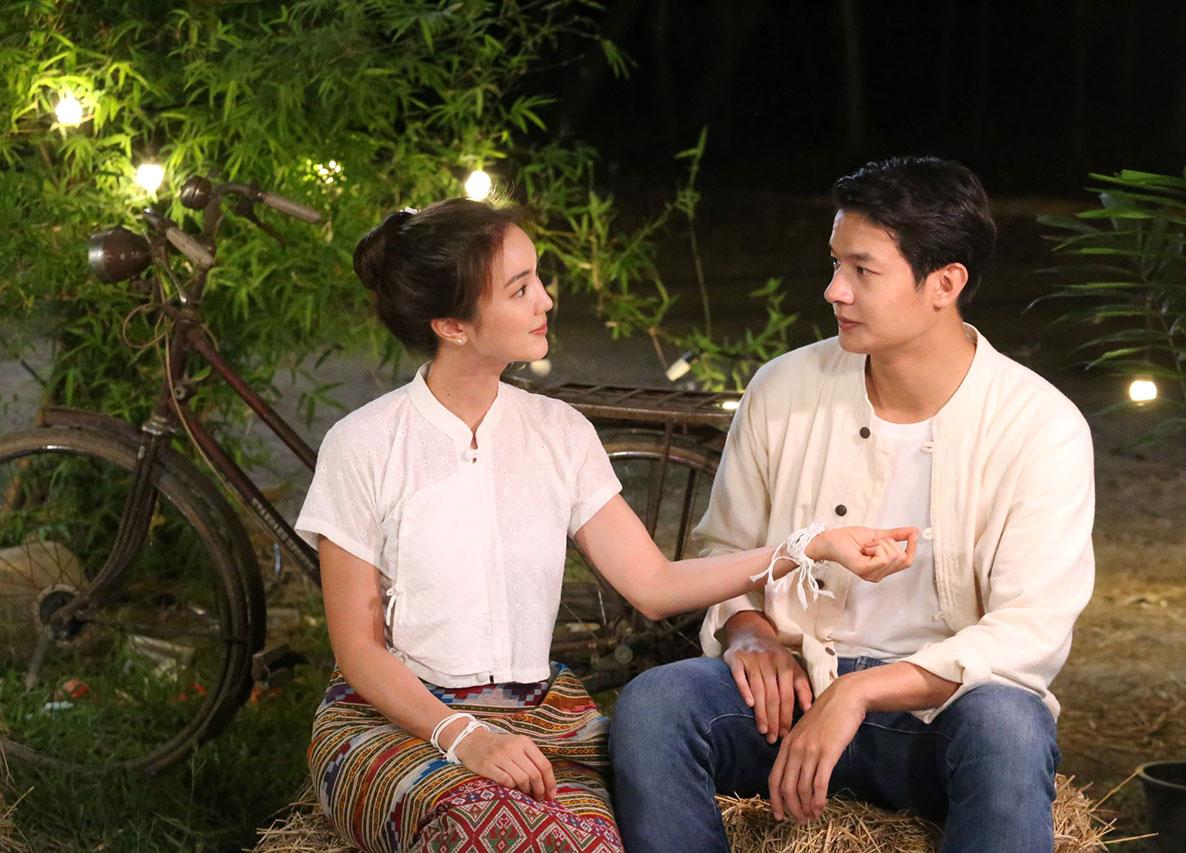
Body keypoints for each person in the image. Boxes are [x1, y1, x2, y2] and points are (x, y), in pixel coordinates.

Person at [292, 198, 919, 853]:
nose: (546, 300)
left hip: (542, 724)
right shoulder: (364, 444)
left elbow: (655, 585)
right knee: (481, 827)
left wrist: (808, 546)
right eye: (520, 289)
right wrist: (464, 736)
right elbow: (359, 649)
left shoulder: (558, 433)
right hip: (399, 723)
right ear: (452, 325)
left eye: (538, 278)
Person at [609, 156, 1096, 853]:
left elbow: (1030, 629)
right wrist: (748, 631)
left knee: (1010, 726)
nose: (834, 289)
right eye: (835, 263)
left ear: (945, 284)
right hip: (788, 700)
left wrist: (860, 692)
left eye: (863, 270)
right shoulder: (784, 388)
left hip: (941, 717)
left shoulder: (1039, 426)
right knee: (656, 705)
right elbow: (726, 549)